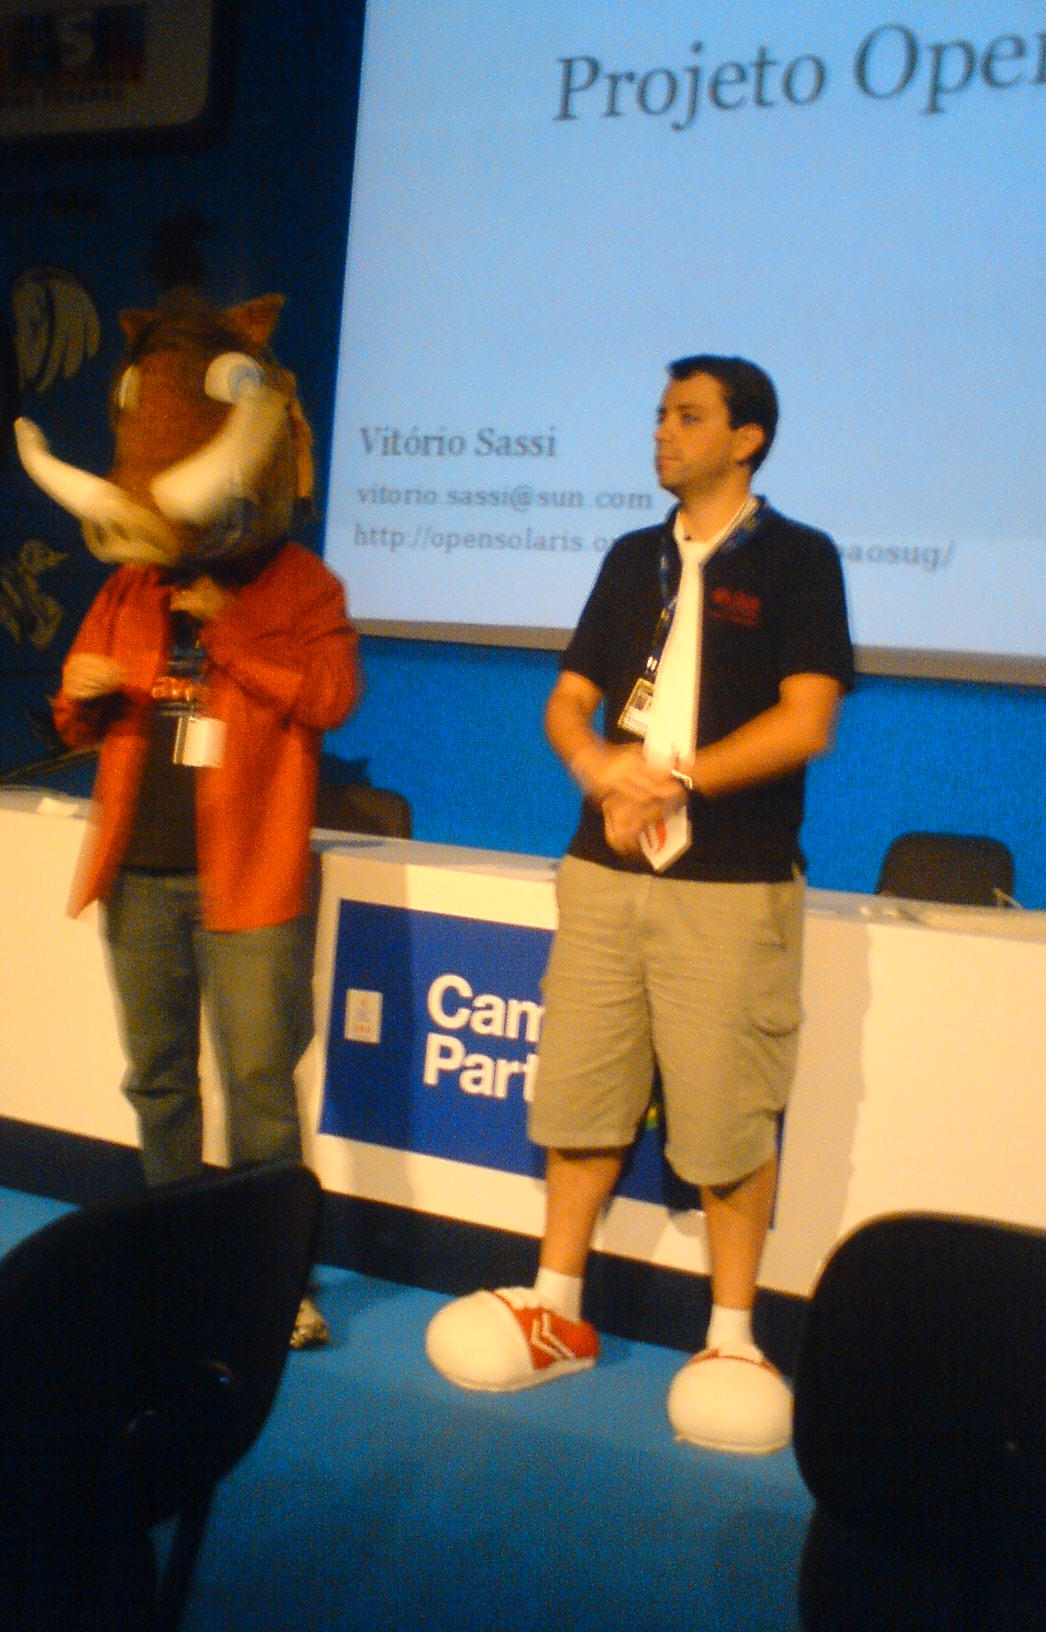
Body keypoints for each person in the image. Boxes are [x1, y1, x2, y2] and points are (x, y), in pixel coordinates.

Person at [426, 355, 854, 1451]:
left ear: (747, 438)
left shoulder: (801, 559)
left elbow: (808, 721)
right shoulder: (631, 558)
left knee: (727, 1114)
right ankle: (557, 1305)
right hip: (605, 871)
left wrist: (679, 778)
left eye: (689, 415)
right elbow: (569, 700)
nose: (663, 430)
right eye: (660, 413)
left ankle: (733, 1336)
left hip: (730, 881)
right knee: (582, 1090)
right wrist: (598, 767)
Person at [27, 289, 359, 1346]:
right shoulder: (131, 585)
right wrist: (80, 693)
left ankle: (272, 1281)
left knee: (258, 1091)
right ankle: (171, 1260)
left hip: (247, 884)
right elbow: (80, 718)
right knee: (160, 1080)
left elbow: (331, 699)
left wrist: (230, 638)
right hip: (140, 875)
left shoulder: (302, 587)